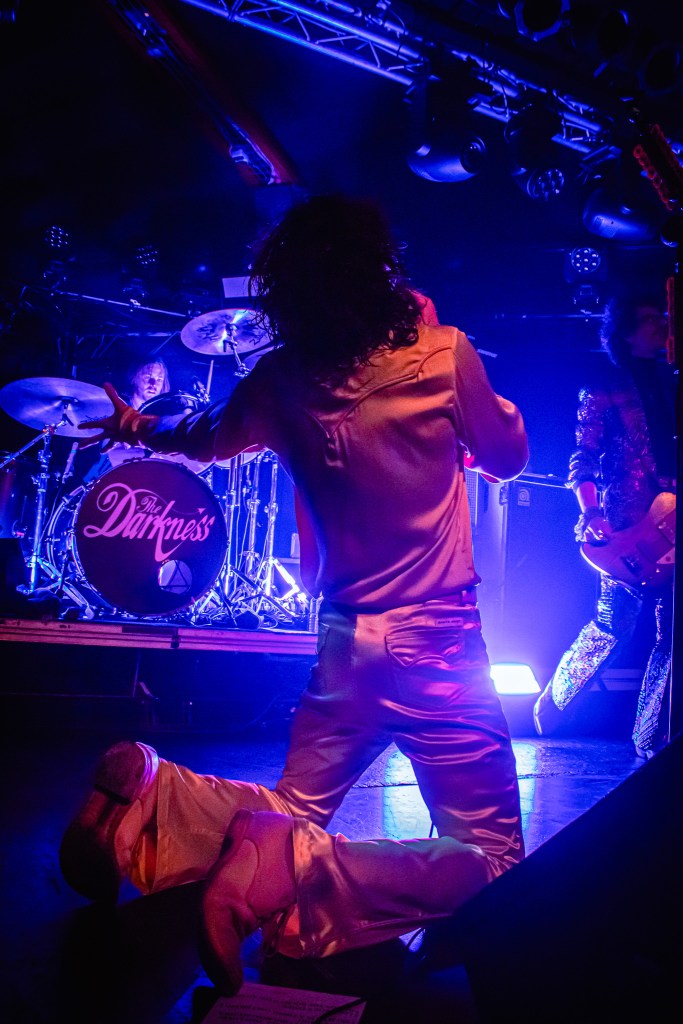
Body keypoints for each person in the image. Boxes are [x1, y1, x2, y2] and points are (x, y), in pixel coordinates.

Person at [60, 194, 529, 995]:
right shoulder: (443, 353)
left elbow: (203, 440)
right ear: (379, 270)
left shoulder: (277, 381)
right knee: (495, 866)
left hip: (343, 641)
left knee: (293, 803)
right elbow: (508, 456)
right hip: (438, 644)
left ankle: (156, 797)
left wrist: (135, 427)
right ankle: (288, 872)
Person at [533, 291, 676, 758]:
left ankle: (651, 740)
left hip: (671, 520)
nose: (662, 325)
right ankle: (551, 708)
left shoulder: (671, 380)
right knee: (614, 626)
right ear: (626, 329)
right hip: (624, 525)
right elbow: (583, 457)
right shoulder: (603, 385)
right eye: (651, 317)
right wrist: (590, 512)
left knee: (670, 633)